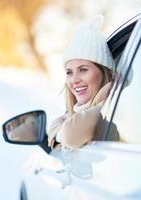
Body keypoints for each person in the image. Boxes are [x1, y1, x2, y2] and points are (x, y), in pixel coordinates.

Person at [47, 16, 120, 150]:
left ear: (105, 72)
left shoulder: (111, 108)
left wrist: (112, 92)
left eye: (83, 70)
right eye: (69, 72)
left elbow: (70, 136)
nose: (74, 80)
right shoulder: (78, 111)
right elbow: (55, 125)